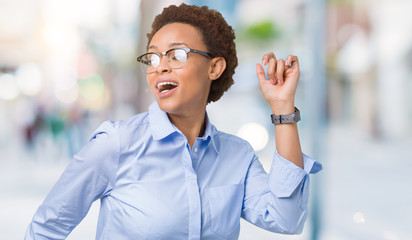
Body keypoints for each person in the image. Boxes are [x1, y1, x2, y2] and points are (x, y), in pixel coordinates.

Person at [25, 3, 322, 240]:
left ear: (214, 67)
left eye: (176, 54)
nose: (161, 67)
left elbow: (286, 219)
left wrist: (283, 107)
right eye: (152, 59)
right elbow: (46, 229)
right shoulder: (117, 144)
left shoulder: (238, 156)